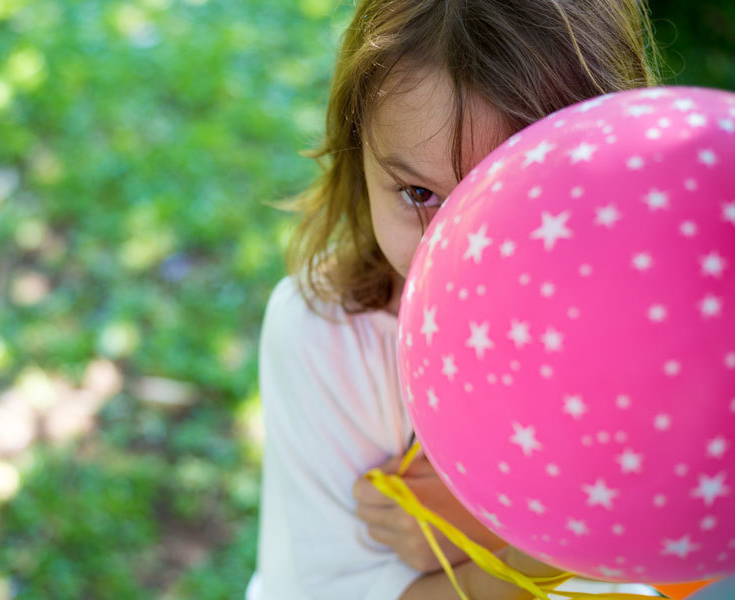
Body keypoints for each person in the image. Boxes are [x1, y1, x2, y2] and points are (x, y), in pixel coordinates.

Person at [249, 1, 664, 598]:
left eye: (517, 196)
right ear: (356, 154)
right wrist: (553, 548)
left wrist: (492, 532)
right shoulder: (328, 337)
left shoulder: (657, 326)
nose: (459, 251)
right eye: (419, 193)